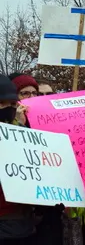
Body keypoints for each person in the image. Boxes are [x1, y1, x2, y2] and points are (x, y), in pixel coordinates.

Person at [0, 75, 36, 243]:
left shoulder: (20, 133)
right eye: (1, 104)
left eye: (13, 104)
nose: (8, 109)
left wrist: (23, 130)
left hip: (21, 224)